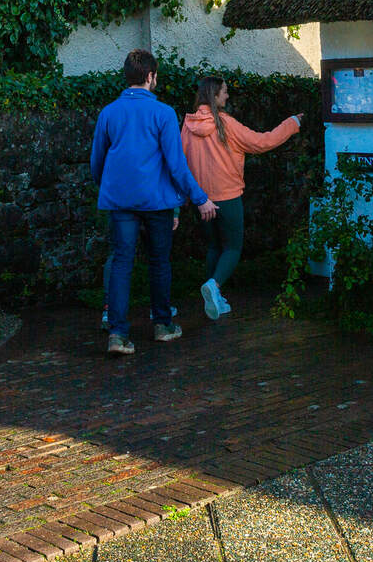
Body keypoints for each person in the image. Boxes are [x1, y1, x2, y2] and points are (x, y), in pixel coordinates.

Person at [90, 49, 217, 356]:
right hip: (157, 202)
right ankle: (163, 325)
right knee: (159, 263)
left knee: (122, 262)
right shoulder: (162, 113)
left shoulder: (108, 113)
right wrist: (200, 199)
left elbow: (97, 162)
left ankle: (118, 335)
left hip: (120, 202)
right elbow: (176, 165)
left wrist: (110, 187)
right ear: (150, 77)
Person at [180, 77, 302, 321]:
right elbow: (262, 142)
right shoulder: (226, 124)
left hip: (201, 200)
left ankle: (214, 296)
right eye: (224, 92)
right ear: (215, 95)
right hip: (227, 197)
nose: (227, 96)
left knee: (214, 247)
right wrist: (292, 123)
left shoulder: (188, 125)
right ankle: (214, 286)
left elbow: (180, 163)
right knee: (233, 248)